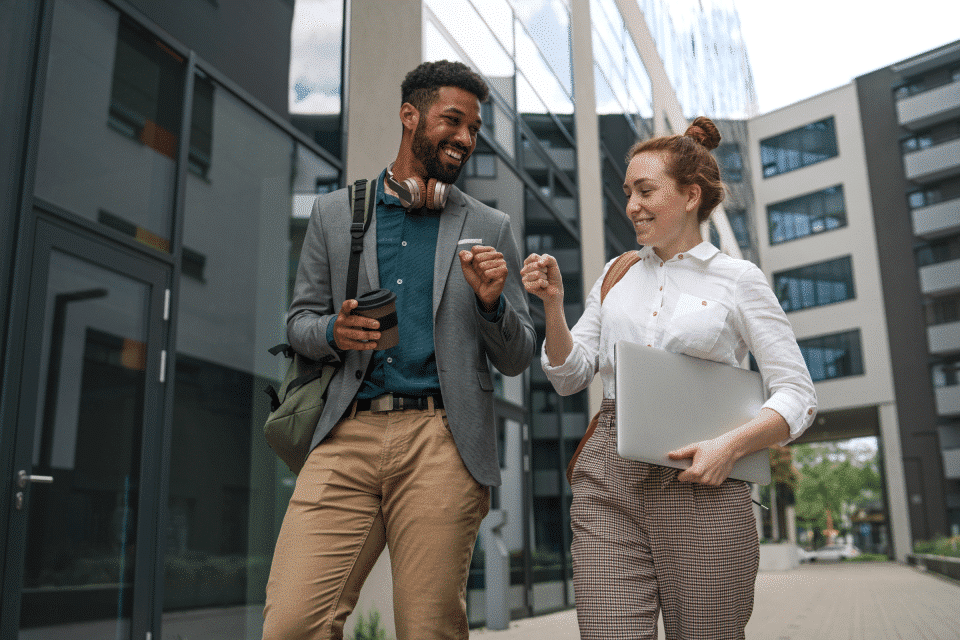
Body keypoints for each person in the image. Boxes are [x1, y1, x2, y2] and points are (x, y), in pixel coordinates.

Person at [262, 60, 536, 640]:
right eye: (452, 121)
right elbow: (298, 323)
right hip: (344, 436)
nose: (465, 138)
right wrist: (333, 333)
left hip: (443, 441)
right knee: (291, 624)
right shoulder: (335, 214)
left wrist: (492, 305)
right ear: (410, 116)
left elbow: (517, 357)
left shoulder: (490, 226)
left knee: (428, 629)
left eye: (474, 128)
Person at [521, 117, 817, 639]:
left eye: (645, 190)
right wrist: (551, 305)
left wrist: (729, 447)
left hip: (706, 482)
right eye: (628, 193)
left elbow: (797, 394)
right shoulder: (616, 274)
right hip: (610, 477)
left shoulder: (737, 280)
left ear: (690, 195)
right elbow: (570, 375)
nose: (631, 205)